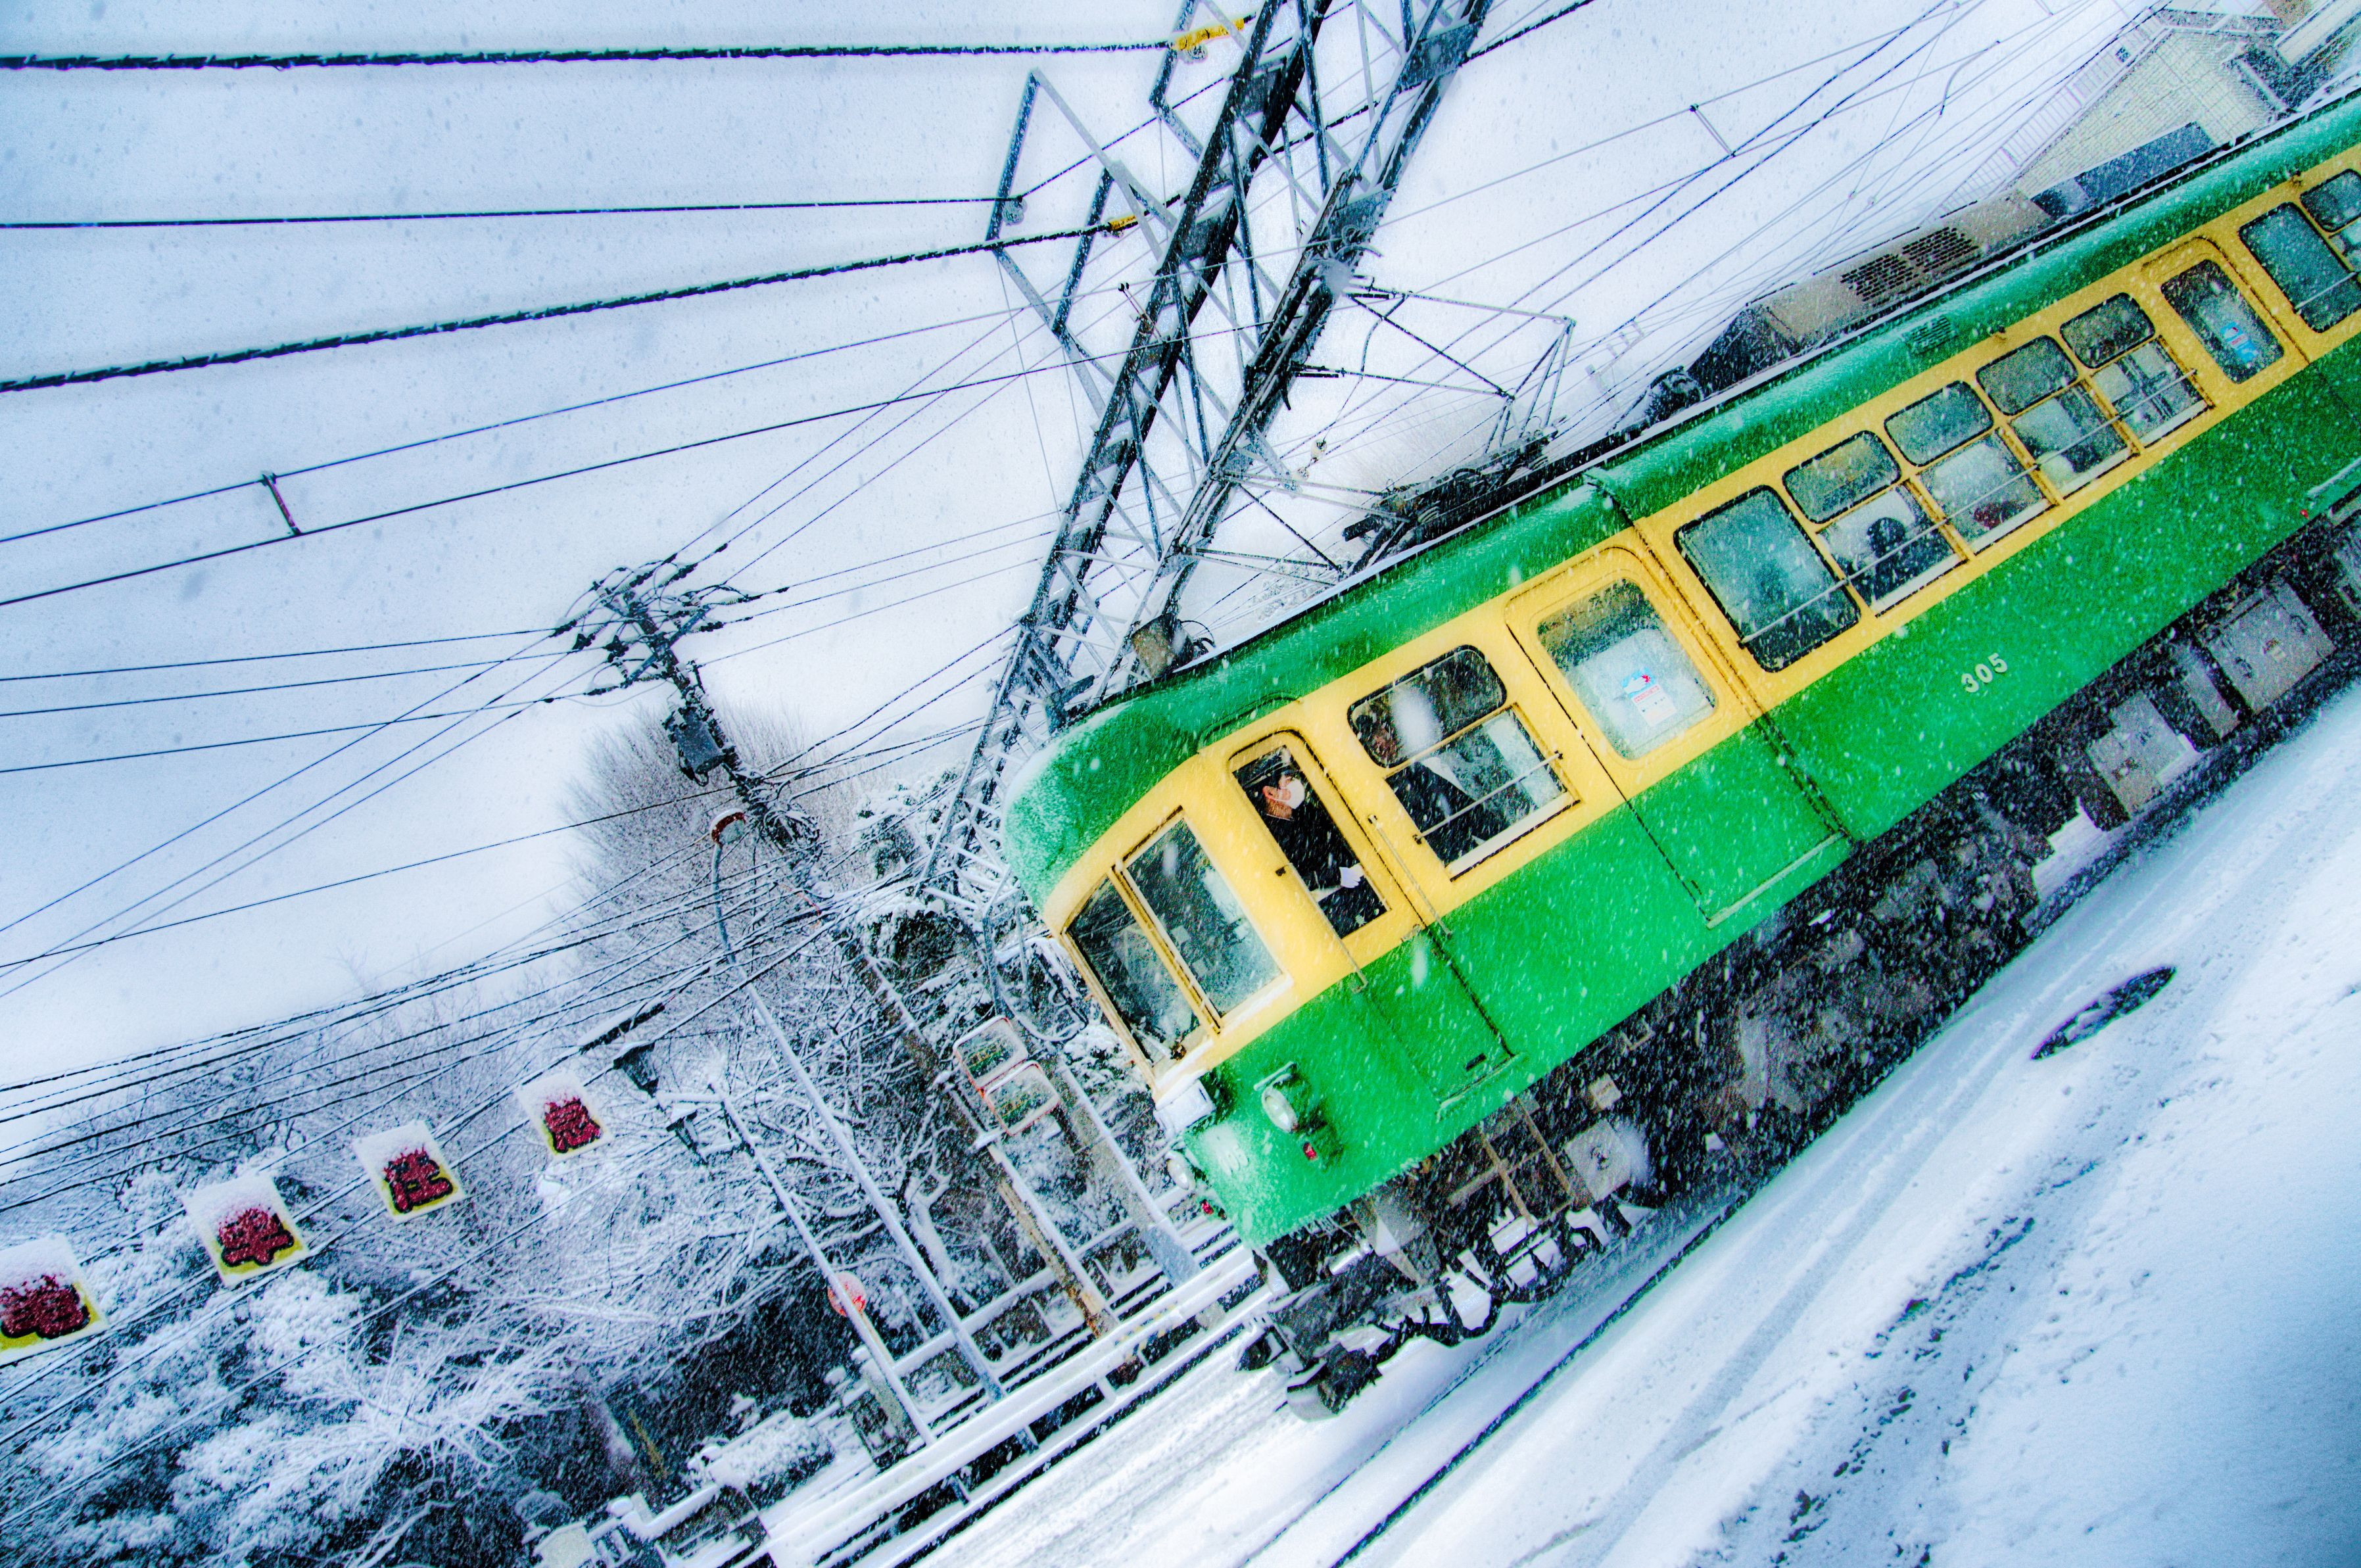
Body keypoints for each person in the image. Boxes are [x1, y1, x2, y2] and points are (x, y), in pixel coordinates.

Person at [1249, 763, 1386, 936]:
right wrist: (1335, 875)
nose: (1296, 785)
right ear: (1270, 793)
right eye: (1289, 782)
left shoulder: (1306, 812)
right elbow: (1295, 880)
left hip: (1362, 884)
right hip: (1335, 905)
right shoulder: (1270, 838)